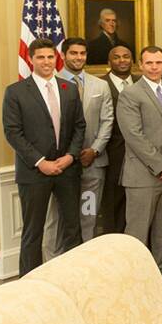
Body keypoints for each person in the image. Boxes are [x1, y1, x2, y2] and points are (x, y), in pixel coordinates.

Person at [3, 38, 86, 275]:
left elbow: (80, 126)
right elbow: (13, 132)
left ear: (56, 59)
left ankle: (73, 279)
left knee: (72, 228)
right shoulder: (16, 92)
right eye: (40, 57)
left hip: (67, 169)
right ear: (30, 59)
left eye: (50, 57)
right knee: (33, 231)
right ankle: (30, 285)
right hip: (34, 172)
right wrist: (41, 162)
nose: (46, 62)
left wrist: (70, 156)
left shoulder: (69, 88)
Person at [116, 46, 162, 287]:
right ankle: (134, 281)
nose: (154, 67)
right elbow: (133, 136)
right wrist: (161, 166)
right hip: (143, 175)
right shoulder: (131, 94)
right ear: (141, 65)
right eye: (149, 63)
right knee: (137, 231)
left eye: (158, 62)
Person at [43, 37, 112, 259]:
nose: (78, 57)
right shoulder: (50, 84)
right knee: (56, 217)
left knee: (88, 214)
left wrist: (95, 150)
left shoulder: (100, 86)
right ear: (63, 55)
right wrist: (67, 157)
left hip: (92, 165)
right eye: (73, 53)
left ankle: (86, 263)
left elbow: (107, 121)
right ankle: (52, 264)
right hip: (61, 166)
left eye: (82, 53)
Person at [100, 45, 137, 233]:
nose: (122, 60)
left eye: (126, 56)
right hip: (111, 156)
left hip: (142, 158)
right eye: (117, 57)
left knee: (136, 207)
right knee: (112, 204)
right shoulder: (99, 85)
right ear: (109, 62)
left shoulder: (142, 82)